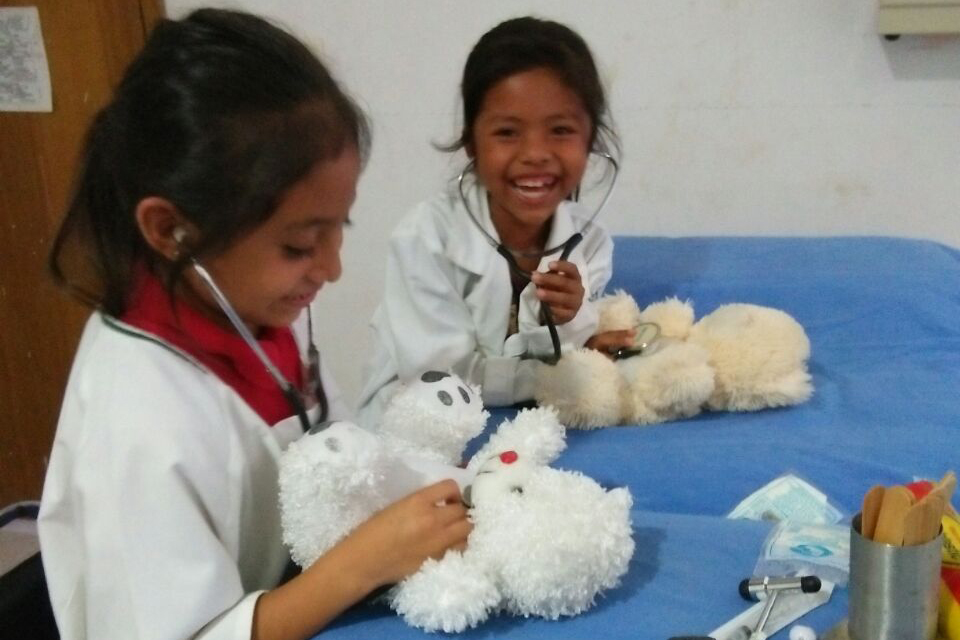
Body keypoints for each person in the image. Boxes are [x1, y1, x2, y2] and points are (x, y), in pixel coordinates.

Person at [37, 9, 470, 640]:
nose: (332, 269)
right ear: (170, 230)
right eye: (298, 246)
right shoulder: (136, 415)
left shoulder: (250, 314)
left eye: (335, 232)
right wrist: (361, 564)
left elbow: (327, 464)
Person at [357, 16, 635, 427]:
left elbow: (564, 349)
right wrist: (566, 371)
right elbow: (439, 381)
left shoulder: (589, 243)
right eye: (507, 132)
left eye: (560, 130)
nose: (535, 153)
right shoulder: (426, 238)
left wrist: (572, 319)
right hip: (420, 435)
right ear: (472, 143)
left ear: (590, 140)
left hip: (525, 429)